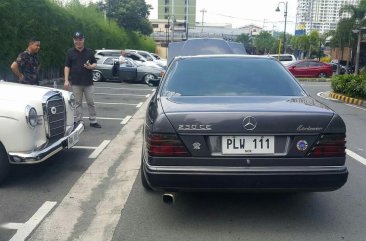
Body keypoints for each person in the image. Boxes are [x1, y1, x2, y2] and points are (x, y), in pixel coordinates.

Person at [64, 31, 101, 128]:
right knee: (77, 103)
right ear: (73, 41)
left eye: (80, 39)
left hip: (88, 82)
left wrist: (90, 66)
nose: (78, 41)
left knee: (91, 102)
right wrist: (66, 80)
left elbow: (95, 64)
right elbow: (67, 66)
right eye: (76, 40)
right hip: (76, 82)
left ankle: (93, 121)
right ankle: (80, 122)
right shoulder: (70, 52)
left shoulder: (89, 51)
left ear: (83, 40)